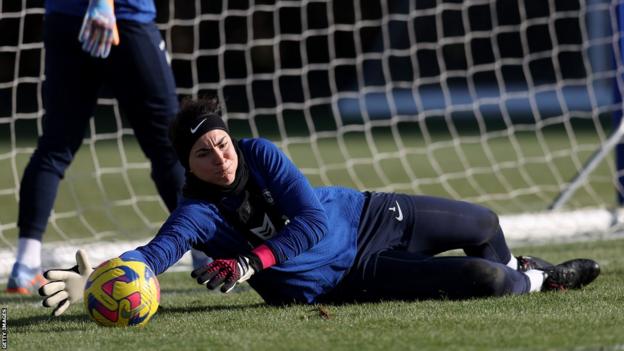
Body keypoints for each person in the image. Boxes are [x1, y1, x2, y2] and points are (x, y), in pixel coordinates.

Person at [38, 97, 601, 315]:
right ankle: (533, 282)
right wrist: (104, 282)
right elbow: (157, 252)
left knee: (485, 223)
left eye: (222, 144)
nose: (221, 158)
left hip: (368, 214)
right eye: (205, 154)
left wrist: (252, 261)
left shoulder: (259, 152)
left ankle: (523, 266)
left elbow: (309, 221)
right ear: (188, 166)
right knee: (488, 280)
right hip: (351, 275)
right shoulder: (197, 214)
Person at [6, 0, 191, 295]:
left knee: (55, 147)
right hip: (121, 17)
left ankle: (25, 265)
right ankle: (207, 249)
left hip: (65, 19)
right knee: (170, 146)